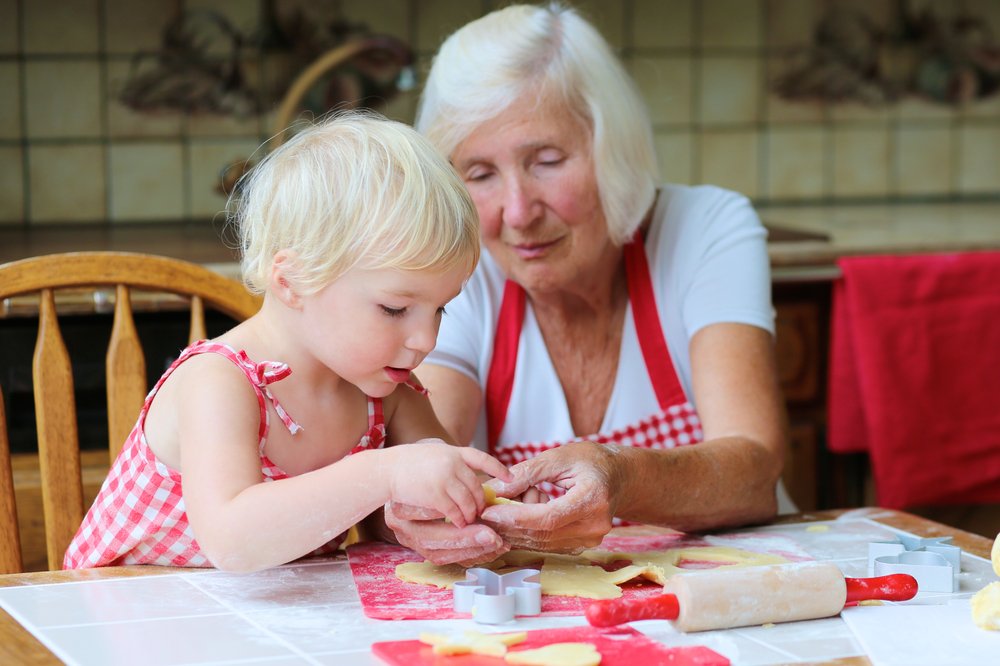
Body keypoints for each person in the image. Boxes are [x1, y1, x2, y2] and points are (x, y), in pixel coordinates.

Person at [383, 3, 790, 566]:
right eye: (479, 175)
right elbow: (427, 449)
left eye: (547, 161)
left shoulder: (704, 231)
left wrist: (619, 478)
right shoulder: (461, 277)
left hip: (723, 589)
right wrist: (420, 507)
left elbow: (753, 472)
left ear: (611, 149)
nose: (518, 213)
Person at [63, 111, 511, 572]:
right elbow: (233, 541)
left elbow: (403, 518)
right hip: (123, 620)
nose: (426, 338)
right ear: (293, 281)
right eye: (394, 309)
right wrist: (386, 473)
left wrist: (494, 502)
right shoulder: (219, 382)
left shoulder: (387, 390)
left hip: (253, 622)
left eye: (441, 308)